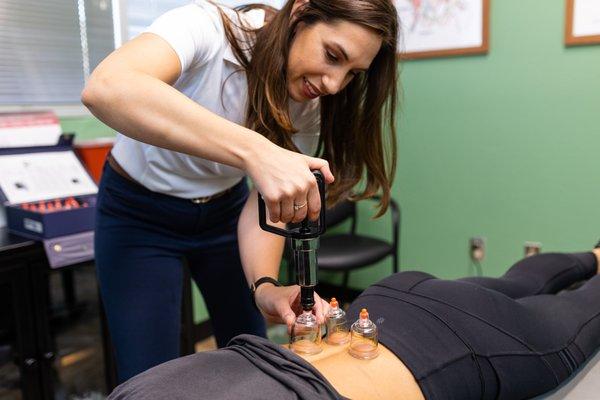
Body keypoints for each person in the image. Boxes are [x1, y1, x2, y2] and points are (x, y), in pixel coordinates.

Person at [81, 0, 399, 382]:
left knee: (252, 354)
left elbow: (265, 198)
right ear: (299, 12)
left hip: (224, 212)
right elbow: (107, 87)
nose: (333, 84)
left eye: (352, 74)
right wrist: (257, 150)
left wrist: (265, 285)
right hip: (139, 213)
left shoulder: (309, 102)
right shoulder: (206, 29)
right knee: (151, 375)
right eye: (332, 55)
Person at [107, 246, 600, 400]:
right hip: (392, 296)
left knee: (580, 317)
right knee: (515, 280)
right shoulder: (130, 394)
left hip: (462, 339)